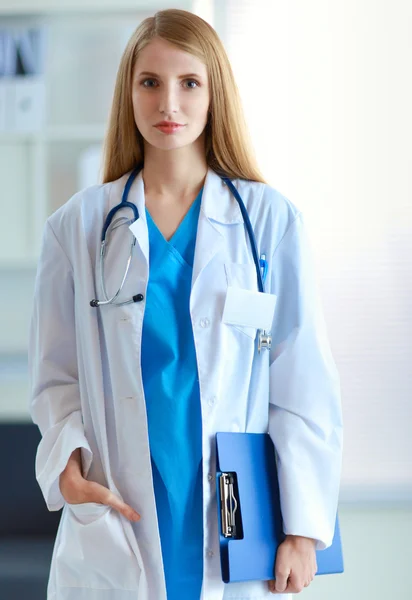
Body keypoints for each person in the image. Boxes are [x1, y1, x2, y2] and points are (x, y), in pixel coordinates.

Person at [28, 8, 343, 600]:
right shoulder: (76, 228)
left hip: (232, 511)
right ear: (129, 93)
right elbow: (55, 377)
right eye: (150, 82)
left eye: (188, 82)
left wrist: (302, 529)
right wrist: (66, 464)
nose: (168, 103)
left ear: (214, 93)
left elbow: (302, 381)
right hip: (119, 510)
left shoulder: (270, 222)